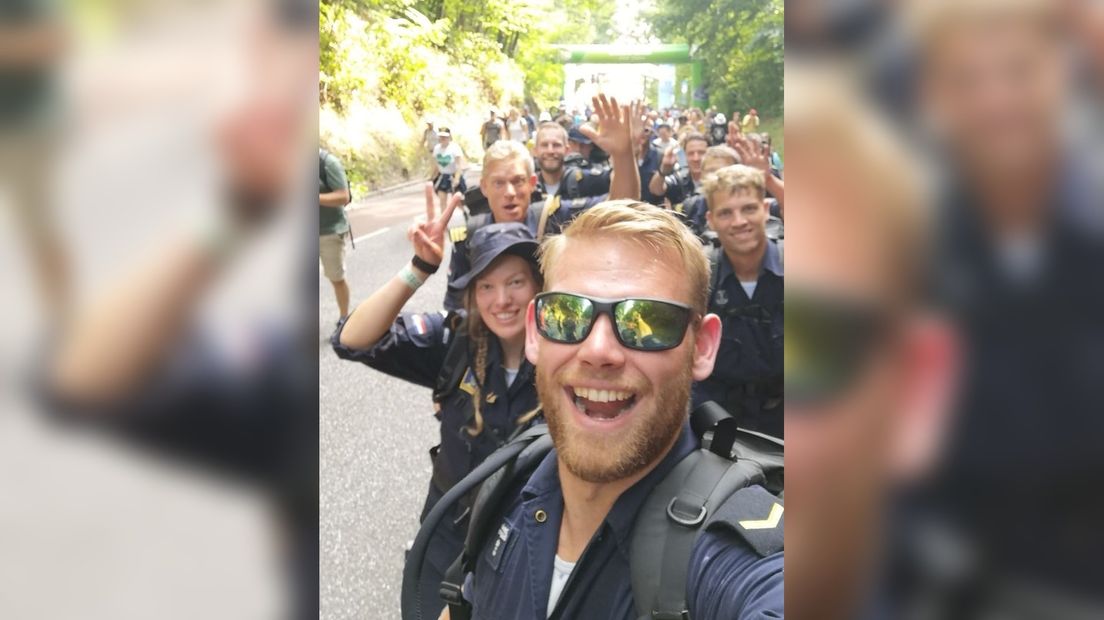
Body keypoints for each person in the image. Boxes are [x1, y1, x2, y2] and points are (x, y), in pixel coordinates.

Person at [440, 201, 783, 619]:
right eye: (567, 314)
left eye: (649, 320)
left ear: (703, 347)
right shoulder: (508, 486)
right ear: (535, 332)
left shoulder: (736, 559)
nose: (598, 350)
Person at [333, 189, 545, 617]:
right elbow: (351, 339)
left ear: (540, 286)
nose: (501, 300)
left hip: (529, 545)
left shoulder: (568, 353)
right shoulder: (456, 341)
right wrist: (418, 269)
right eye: (486, 285)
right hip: (448, 536)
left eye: (515, 282)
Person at [442, 95, 641, 311]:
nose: (509, 193)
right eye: (498, 183)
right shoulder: (470, 235)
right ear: (484, 187)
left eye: (518, 181)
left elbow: (620, 207)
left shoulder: (554, 217)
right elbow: (454, 310)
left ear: (532, 183)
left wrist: (623, 156)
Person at [692, 165, 783, 439]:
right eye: (726, 213)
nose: (739, 221)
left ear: (766, 209)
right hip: (717, 421)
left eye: (749, 209)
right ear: (710, 219)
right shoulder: (701, 275)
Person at [319, 147, 353, 322]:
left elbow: (343, 196)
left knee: (336, 278)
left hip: (329, 231)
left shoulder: (327, 163)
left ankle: (344, 317)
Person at [648, 132, 709, 208]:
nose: (696, 158)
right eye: (691, 153)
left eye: (701, 153)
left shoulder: (718, 181)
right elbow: (656, 190)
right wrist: (663, 169)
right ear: (685, 155)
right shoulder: (680, 179)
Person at [432, 127, 466, 213]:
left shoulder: (454, 147)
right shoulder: (437, 148)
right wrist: (432, 177)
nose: (443, 138)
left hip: (454, 175)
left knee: (458, 201)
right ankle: (444, 225)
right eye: (441, 136)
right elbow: (436, 164)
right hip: (443, 177)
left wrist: (457, 178)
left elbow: (459, 165)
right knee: (442, 201)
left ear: (449, 137)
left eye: (445, 137)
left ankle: (466, 218)